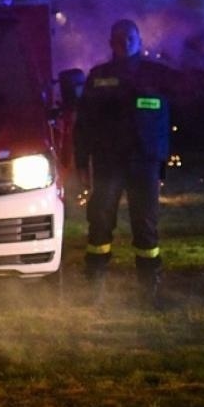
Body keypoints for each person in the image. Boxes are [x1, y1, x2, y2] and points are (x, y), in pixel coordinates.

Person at [74, 19, 176, 307]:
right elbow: (83, 124)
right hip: (108, 162)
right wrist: (82, 162)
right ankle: (94, 289)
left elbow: (188, 99)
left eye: (130, 36)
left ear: (139, 40)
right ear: (111, 42)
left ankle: (149, 291)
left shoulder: (158, 75)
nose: (125, 41)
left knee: (146, 225)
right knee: (100, 223)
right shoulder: (98, 76)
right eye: (119, 37)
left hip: (144, 162)